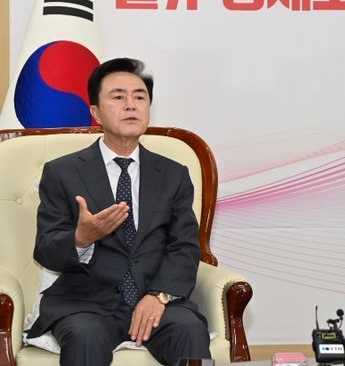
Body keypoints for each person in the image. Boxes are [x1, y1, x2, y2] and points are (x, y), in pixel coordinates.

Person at [25, 58, 211, 365]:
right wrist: (82, 238)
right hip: (86, 304)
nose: (131, 105)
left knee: (189, 330)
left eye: (140, 97)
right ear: (96, 113)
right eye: (118, 97)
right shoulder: (62, 172)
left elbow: (184, 246)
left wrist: (159, 296)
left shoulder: (174, 174)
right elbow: (46, 250)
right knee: (85, 338)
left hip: (154, 300)